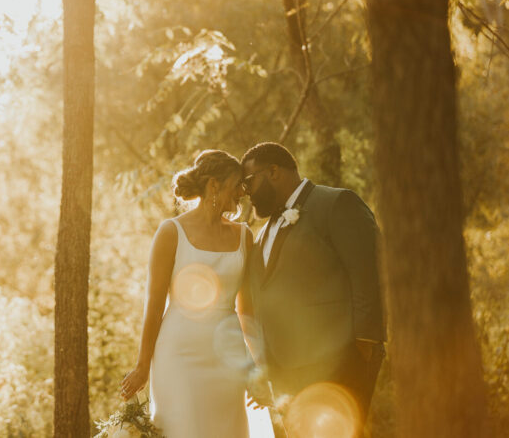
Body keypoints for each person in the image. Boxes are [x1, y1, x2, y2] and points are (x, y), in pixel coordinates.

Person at [240, 142, 386, 437]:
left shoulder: (336, 203)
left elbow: (368, 272)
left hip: (339, 363)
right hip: (286, 373)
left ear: (274, 172)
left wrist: (364, 344)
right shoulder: (263, 232)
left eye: (248, 182)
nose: (246, 192)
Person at [121, 149, 255, 438]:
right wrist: (142, 366)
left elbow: (248, 310)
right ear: (214, 186)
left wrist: (257, 366)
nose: (242, 192)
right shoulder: (171, 232)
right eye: (237, 184)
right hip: (178, 355)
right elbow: (154, 305)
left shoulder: (245, 236)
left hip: (228, 358)